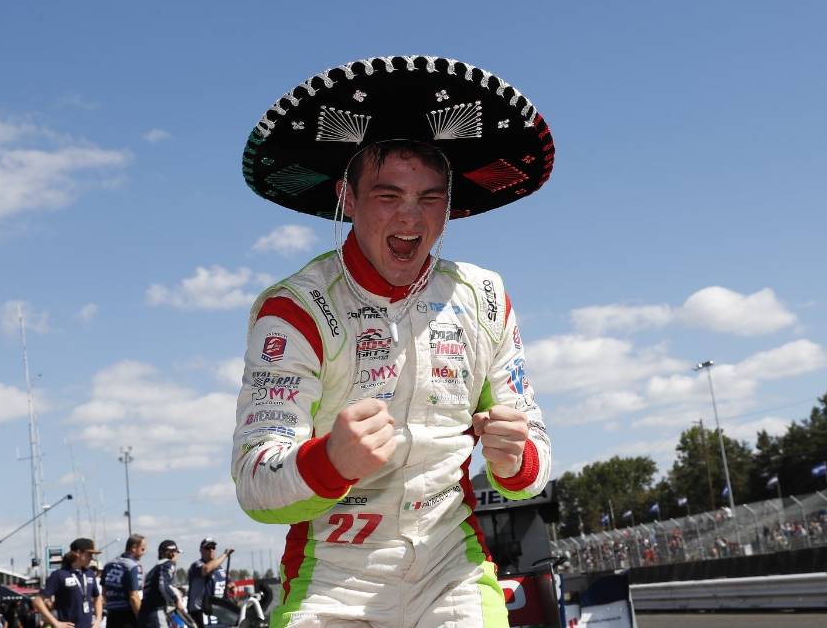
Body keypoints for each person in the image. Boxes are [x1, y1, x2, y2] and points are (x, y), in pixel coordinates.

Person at [232, 56, 554, 627]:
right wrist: (332, 460)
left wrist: (514, 458)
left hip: (450, 573)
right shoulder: (297, 308)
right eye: (387, 196)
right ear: (347, 198)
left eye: (430, 198)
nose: (410, 219)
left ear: (449, 205)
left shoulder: (484, 296)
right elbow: (256, 484)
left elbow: (534, 469)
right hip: (332, 581)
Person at [34, 540, 102, 628]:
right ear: (78, 553)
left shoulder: (89, 573)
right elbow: (37, 601)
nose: (91, 558)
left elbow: (98, 598)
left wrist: (98, 620)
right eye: (89, 554)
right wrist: (56, 623)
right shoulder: (59, 575)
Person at [185, 539, 233, 627]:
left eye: (213, 548)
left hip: (218, 613)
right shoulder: (197, 565)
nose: (211, 550)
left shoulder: (220, 569)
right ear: (201, 550)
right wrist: (225, 555)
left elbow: (229, 583)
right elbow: (206, 569)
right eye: (207, 548)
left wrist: (231, 587)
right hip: (201, 613)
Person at [100, 536, 145, 628]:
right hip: (128, 616)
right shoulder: (132, 566)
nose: (144, 553)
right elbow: (134, 597)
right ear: (134, 548)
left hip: (112, 616)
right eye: (142, 549)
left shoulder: (108, 565)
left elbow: (104, 593)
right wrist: (142, 620)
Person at [136, 541, 183, 628]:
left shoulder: (153, 569)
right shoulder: (168, 564)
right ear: (172, 553)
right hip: (156, 610)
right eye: (176, 552)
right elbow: (163, 585)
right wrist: (176, 600)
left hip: (144, 613)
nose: (177, 556)